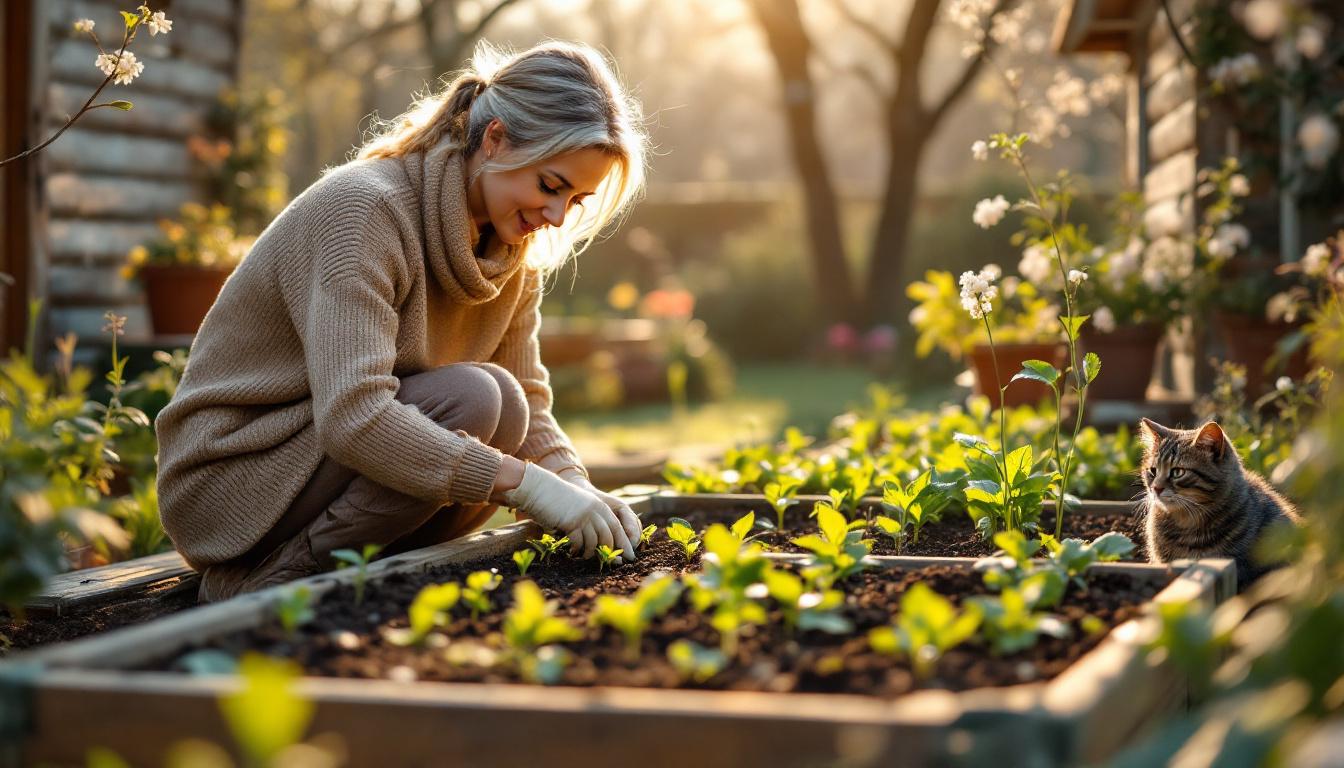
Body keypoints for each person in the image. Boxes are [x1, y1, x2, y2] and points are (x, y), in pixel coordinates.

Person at [155, 40, 651, 603]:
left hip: (319, 472)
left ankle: (356, 574)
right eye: (550, 185)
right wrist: (525, 484)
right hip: (233, 480)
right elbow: (354, 413)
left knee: (507, 405)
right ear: (495, 140)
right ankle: (268, 584)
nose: (558, 216)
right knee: (477, 399)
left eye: (577, 200)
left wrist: (575, 485)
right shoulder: (364, 211)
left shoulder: (511, 254)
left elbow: (531, 403)